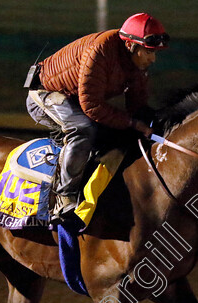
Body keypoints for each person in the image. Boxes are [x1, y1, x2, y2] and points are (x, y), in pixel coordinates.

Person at [25, 12, 169, 224]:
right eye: (148, 52)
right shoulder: (100, 51)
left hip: (76, 98)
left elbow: (137, 106)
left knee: (122, 135)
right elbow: (92, 106)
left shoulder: (137, 65)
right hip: (44, 93)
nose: (153, 59)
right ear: (131, 45)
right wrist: (131, 122)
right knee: (83, 130)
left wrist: (149, 123)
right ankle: (63, 197)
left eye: (155, 53)